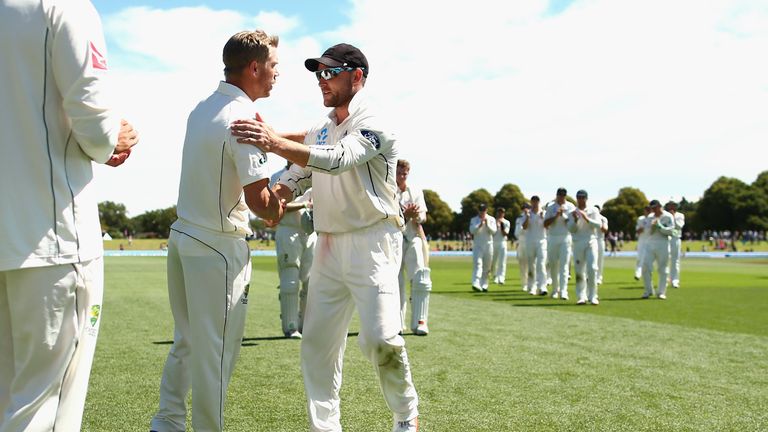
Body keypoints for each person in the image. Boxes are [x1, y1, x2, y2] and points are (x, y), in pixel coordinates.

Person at [230, 43, 419, 432]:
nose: (322, 80)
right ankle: (325, 427)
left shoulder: (376, 120)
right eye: (318, 73)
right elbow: (298, 175)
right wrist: (273, 200)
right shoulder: (323, 127)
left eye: (331, 72)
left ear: (357, 77)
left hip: (374, 241)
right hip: (329, 243)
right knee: (317, 345)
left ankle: (405, 414)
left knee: (382, 339)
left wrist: (272, 141)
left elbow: (336, 160)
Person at [0, 1, 139, 430]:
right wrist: (116, 133)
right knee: (45, 406)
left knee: (10, 395)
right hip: (51, 236)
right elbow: (96, 127)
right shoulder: (65, 6)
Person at [149, 30, 283, 432]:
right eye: (275, 66)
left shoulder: (202, 108)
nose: (278, 74)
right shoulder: (243, 118)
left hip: (184, 235)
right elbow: (261, 204)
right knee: (217, 354)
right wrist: (285, 198)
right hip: (219, 247)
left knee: (187, 342)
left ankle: (167, 423)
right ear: (255, 67)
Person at [271, 162, 317, 339]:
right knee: (290, 280)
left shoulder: (311, 176)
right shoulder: (278, 177)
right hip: (288, 231)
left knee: (311, 281)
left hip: (310, 232)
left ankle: (305, 325)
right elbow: (275, 207)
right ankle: (290, 326)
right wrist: (304, 205)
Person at [396, 159, 432, 336]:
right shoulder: (386, 190)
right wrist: (404, 214)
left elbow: (423, 216)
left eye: (405, 173)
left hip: (413, 238)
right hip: (393, 241)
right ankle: (397, 324)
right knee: (395, 282)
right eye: (399, 172)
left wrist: (416, 215)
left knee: (419, 278)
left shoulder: (415, 191)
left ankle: (420, 321)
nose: (402, 176)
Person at [567, 191, 602, 305]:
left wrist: (587, 218)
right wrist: (576, 220)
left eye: (583, 198)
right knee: (579, 271)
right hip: (577, 243)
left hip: (591, 241)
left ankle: (593, 296)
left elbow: (598, 225)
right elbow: (571, 229)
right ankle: (581, 296)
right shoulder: (572, 212)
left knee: (592, 268)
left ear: (586, 198)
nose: (581, 200)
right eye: (578, 198)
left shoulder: (593, 210)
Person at [543, 187, 575, 300]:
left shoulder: (571, 207)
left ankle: (563, 291)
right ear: (556, 195)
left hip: (565, 238)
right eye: (559, 195)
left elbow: (573, 224)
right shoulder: (551, 207)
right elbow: (545, 224)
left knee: (564, 265)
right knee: (553, 265)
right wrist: (555, 216)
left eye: (563, 195)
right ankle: (555, 290)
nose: (561, 197)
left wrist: (564, 216)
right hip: (552, 237)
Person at [641, 200, 675, 300]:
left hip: (663, 243)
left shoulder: (668, 216)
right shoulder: (650, 217)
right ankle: (648, 290)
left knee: (663, 269)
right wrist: (651, 227)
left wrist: (660, 226)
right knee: (645, 267)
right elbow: (646, 232)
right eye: (652, 208)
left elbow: (671, 231)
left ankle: (661, 292)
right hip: (650, 243)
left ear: (660, 206)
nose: (654, 210)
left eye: (656, 208)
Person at [523, 197, 548, 295]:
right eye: (533, 201)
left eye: (536, 201)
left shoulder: (544, 213)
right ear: (531, 202)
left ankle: (542, 286)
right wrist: (528, 217)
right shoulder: (527, 214)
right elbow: (524, 227)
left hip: (542, 241)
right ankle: (532, 287)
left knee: (541, 264)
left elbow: (548, 226)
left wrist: (543, 218)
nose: (535, 203)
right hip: (530, 241)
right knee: (531, 265)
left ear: (539, 202)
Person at [469, 203, 497, 292]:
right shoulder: (474, 220)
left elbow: (494, 231)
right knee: (478, 264)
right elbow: (472, 231)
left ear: (486, 210)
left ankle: (484, 284)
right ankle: (476, 283)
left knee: (487, 266)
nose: (482, 212)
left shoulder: (491, 219)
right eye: (481, 210)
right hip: (478, 245)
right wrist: (479, 225)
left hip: (488, 245)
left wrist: (487, 225)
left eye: (484, 210)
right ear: (478, 210)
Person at [665, 201, 685, 288]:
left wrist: (672, 217)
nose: (671, 206)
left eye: (673, 205)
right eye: (670, 205)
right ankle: (665, 279)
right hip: (666, 238)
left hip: (676, 238)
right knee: (664, 260)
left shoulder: (680, 215)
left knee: (675, 261)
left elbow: (679, 226)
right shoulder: (665, 215)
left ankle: (675, 281)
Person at [491, 207, 511, 285]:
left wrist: (501, 225)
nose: (500, 214)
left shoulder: (506, 222)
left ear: (504, 214)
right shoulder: (493, 221)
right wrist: (496, 224)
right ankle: (495, 276)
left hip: (502, 242)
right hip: (493, 242)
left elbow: (505, 233)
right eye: (499, 212)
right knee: (494, 261)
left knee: (502, 261)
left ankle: (501, 277)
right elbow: (492, 232)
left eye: (502, 212)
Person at [513, 203, 531, 291]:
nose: (525, 210)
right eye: (523, 208)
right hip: (522, 242)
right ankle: (524, 284)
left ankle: (532, 283)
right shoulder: (519, 219)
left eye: (527, 208)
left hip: (531, 242)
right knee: (522, 264)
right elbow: (517, 232)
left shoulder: (534, 216)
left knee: (532, 264)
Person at [634, 206, 652, 280]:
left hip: (651, 241)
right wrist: (643, 227)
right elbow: (638, 231)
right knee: (640, 258)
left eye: (648, 210)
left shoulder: (654, 218)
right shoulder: (641, 219)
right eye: (646, 210)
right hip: (642, 241)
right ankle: (638, 273)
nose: (647, 212)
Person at [595, 205, 609, 285]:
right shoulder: (590, 217)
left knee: (599, 260)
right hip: (591, 239)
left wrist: (599, 223)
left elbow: (605, 230)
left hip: (600, 240)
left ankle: (599, 277)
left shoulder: (603, 219)